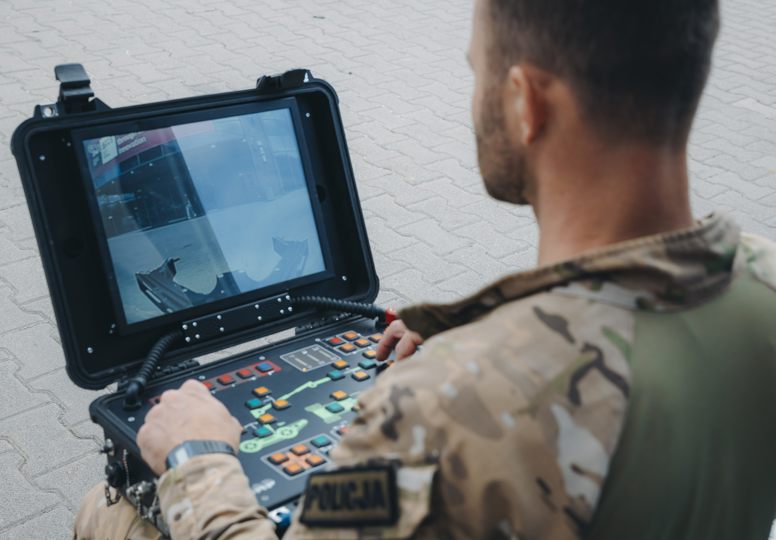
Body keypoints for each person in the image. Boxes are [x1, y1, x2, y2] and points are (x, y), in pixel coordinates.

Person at [74, 0, 776, 537]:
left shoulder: (435, 413)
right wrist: (478, 337)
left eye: (477, 73)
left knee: (108, 513)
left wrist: (199, 458)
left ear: (526, 104)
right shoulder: (763, 284)